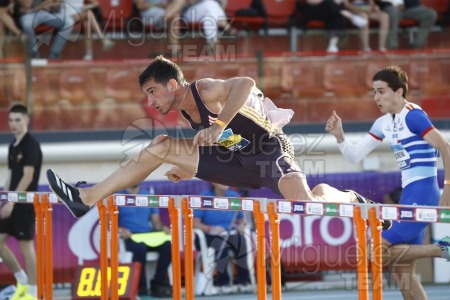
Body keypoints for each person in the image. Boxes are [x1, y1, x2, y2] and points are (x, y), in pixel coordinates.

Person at [46, 56, 394, 231]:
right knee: (163, 146)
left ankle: (354, 200)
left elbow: (245, 82)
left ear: (171, 85)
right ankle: (86, 198)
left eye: (152, 91)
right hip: (236, 162)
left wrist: (220, 124)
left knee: (307, 204)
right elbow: (227, 139)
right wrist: (189, 166)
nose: (150, 101)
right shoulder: (187, 115)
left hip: (271, 152)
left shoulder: (206, 89)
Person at [325, 65, 450, 299]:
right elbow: (355, 156)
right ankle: (440, 249)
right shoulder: (383, 123)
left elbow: (445, 146)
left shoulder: (413, 115)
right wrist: (340, 137)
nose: (376, 97)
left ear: (399, 92)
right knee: (403, 272)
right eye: (374, 92)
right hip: (407, 196)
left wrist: (448, 188)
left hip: (424, 193)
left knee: (376, 251)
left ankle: (441, 249)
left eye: (381, 91)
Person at [1, 104, 42, 300]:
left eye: (17, 120)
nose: (13, 124)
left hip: (24, 203)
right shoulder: (12, 145)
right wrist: (4, 196)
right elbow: (12, 174)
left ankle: (33, 292)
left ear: (26, 120)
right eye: (10, 120)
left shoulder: (30, 144)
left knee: (26, 247)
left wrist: (12, 202)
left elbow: (27, 176)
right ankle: (22, 280)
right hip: (11, 201)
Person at [193, 182, 252, 294]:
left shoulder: (234, 197)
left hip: (229, 232)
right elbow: (194, 223)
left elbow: (241, 220)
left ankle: (244, 282)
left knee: (241, 241)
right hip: (209, 235)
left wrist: (241, 226)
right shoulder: (204, 197)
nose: (224, 182)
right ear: (213, 182)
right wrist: (210, 229)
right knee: (220, 243)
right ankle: (223, 282)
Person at [117, 183, 172, 297]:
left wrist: (163, 227)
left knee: (168, 246)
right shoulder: (117, 197)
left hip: (148, 235)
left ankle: (158, 283)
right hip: (130, 237)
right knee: (140, 248)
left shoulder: (149, 196)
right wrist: (121, 230)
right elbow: (109, 223)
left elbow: (156, 222)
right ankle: (141, 286)